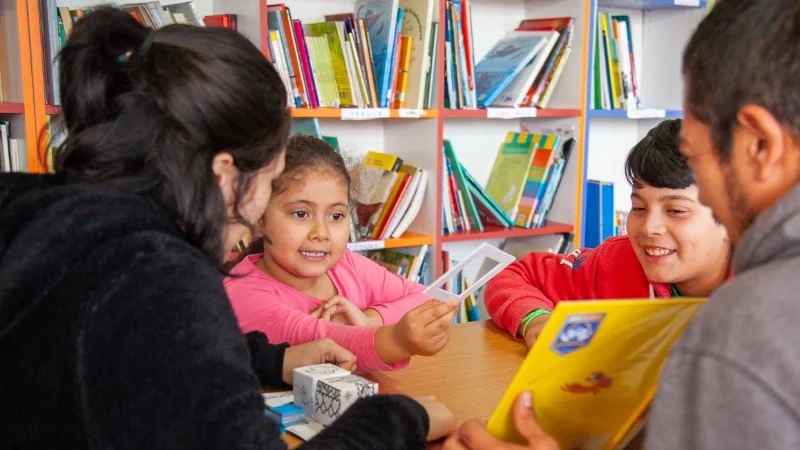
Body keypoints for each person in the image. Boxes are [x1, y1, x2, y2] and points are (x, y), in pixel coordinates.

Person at [0, 8, 455, 448]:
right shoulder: (161, 278)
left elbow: (167, 351)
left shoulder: (39, 210)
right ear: (224, 175)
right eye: (270, 179)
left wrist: (274, 360)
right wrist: (401, 418)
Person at [485, 118, 731, 347]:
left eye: (676, 210)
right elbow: (516, 276)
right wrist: (536, 319)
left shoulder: (755, 294)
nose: (649, 227)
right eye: (639, 207)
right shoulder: (615, 262)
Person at [226, 135, 459, 373]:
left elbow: (431, 299)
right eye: (300, 214)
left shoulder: (347, 265)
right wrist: (397, 340)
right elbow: (324, 346)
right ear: (257, 217)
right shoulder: (242, 293)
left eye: (336, 216)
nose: (321, 233)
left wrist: (370, 319)